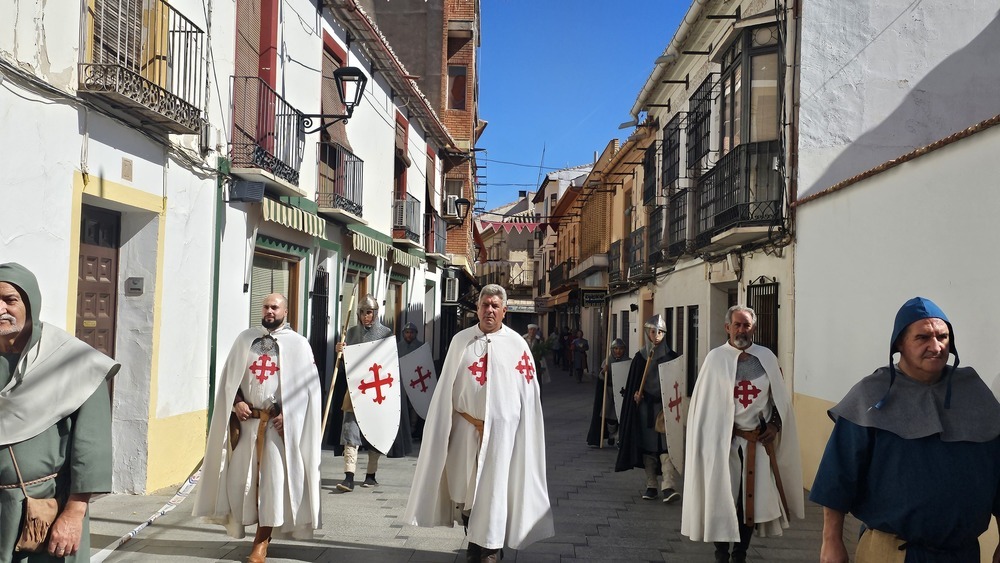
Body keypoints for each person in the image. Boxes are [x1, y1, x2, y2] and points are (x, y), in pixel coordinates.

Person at [810, 297, 1000, 563]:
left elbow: (998, 472)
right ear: (899, 343)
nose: (936, 346)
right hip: (891, 552)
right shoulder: (869, 395)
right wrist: (831, 541)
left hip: (963, 553)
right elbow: (838, 476)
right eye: (922, 338)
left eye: (943, 337)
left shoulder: (975, 393)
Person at [403, 284, 554, 563]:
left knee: (494, 490)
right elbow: (447, 387)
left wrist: (518, 429)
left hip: (501, 434)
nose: (490, 310)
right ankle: (474, 538)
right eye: (485, 305)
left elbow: (529, 394)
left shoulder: (517, 346)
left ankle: (491, 549)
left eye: (496, 306)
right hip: (465, 429)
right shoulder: (461, 341)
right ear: (477, 308)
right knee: (465, 490)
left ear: (504, 311)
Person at [0, 263, 119, 562]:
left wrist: (74, 514)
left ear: (30, 305)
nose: (0, 308)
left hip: (43, 511)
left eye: (10, 300)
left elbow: (92, 449)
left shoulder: (74, 362)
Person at [193, 293, 322, 562]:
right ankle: (244, 527)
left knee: (271, 484)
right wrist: (236, 402)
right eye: (266, 306)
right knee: (242, 482)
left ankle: (261, 542)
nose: (270, 311)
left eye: (275, 307)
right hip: (248, 425)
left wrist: (290, 414)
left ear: (286, 311)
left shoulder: (298, 345)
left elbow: (308, 390)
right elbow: (231, 379)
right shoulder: (245, 339)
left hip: (275, 428)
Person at [681, 305, 804, 563]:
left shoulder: (767, 358)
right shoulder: (715, 359)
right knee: (721, 499)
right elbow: (704, 406)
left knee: (749, 505)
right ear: (727, 327)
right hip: (721, 445)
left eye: (746, 325)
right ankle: (720, 554)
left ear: (753, 328)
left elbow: (779, 401)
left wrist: (774, 426)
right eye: (736, 324)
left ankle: (740, 555)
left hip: (755, 445)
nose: (741, 330)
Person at [615, 315, 681, 503]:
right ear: (647, 333)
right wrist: (635, 396)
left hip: (665, 408)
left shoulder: (672, 358)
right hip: (645, 409)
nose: (657, 335)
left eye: (660, 332)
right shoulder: (640, 358)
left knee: (667, 446)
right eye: (653, 332)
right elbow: (632, 386)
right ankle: (651, 484)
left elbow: (677, 383)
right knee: (648, 447)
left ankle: (668, 485)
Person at [333, 294, 394, 491]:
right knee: (350, 431)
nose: (365, 316)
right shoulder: (349, 334)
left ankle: (370, 475)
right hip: (355, 390)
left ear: (375, 314)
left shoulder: (385, 333)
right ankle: (349, 477)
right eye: (362, 312)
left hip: (377, 391)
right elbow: (345, 368)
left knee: (375, 433)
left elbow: (390, 363)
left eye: (369, 312)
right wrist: (340, 353)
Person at [588, 338, 628, 448]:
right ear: (612, 350)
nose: (618, 351)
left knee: (620, 415)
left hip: (621, 393)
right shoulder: (607, 361)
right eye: (615, 348)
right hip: (609, 392)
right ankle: (611, 434)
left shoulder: (628, 362)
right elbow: (601, 378)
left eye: (620, 348)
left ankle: (618, 436)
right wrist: (603, 372)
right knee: (608, 414)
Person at [398, 322, 423, 442]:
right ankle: (404, 429)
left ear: (415, 333)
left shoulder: (421, 347)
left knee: (415, 406)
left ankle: (414, 430)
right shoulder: (398, 347)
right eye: (407, 332)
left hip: (416, 381)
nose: (409, 334)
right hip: (402, 381)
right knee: (403, 406)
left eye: (411, 332)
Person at [522, 323, 550, 402]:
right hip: (525, 365)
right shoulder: (522, 340)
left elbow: (542, 353)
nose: (532, 331)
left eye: (534, 330)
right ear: (528, 330)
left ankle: (537, 401)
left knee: (537, 384)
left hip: (536, 365)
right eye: (531, 329)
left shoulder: (538, 341)